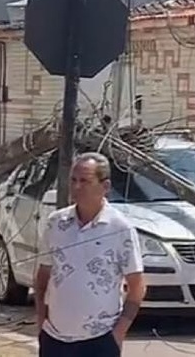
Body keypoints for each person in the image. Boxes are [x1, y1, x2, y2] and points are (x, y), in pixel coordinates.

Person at [35, 152, 146, 357]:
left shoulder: (120, 228)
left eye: (85, 181)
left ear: (104, 186)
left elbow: (137, 287)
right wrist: (42, 321)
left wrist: (118, 333)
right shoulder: (56, 223)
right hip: (55, 338)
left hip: (99, 340)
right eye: (73, 180)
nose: (77, 187)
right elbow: (43, 276)